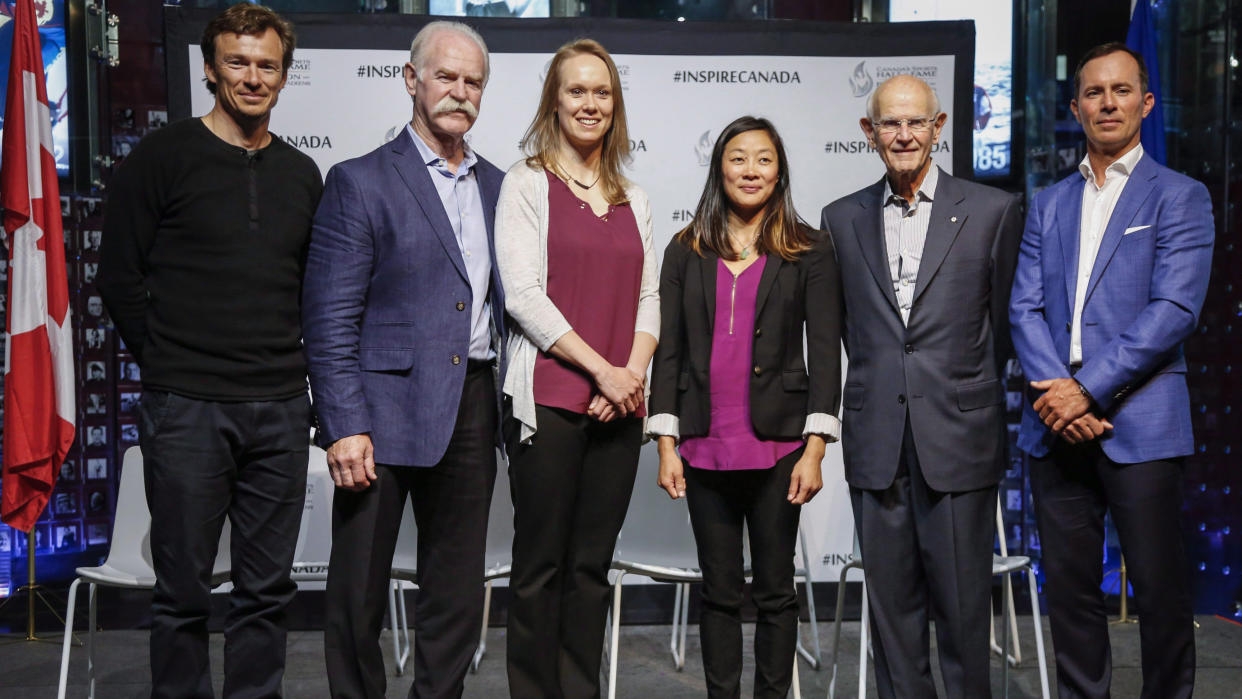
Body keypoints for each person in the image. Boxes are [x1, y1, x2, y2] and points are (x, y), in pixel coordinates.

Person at [95, 5, 322, 697]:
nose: (252, 78)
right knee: (184, 592)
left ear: (283, 75)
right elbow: (118, 277)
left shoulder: (303, 174)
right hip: (186, 408)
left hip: (281, 411)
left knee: (265, 592)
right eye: (237, 62)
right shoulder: (161, 158)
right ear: (209, 69)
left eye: (266, 65)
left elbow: (312, 289)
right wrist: (168, 362)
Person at [302, 20, 505, 699]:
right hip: (378, 416)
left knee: (455, 591)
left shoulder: (499, 187)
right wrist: (342, 424)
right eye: (446, 76)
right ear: (411, 80)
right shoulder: (359, 182)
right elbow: (329, 317)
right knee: (357, 590)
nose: (460, 91)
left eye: (473, 81)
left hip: (473, 406)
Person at [1009, 43, 1212, 699]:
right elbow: (1024, 306)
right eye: (1094, 92)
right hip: (1054, 425)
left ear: (1146, 104)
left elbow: (1174, 309)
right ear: (1076, 107)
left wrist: (1085, 388)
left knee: (1159, 592)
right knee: (1068, 593)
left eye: (1121, 90)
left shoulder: (1181, 197)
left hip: (1140, 423)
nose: (1107, 102)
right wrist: (1059, 399)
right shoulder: (1047, 202)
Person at [819, 74, 1022, 698]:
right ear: (869, 133)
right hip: (877, 439)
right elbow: (849, 333)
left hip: (959, 440)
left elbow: (1005, 328)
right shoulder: (840, 218)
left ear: (938, 128)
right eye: (889, 124)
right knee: (892, 618)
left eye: (915, 123)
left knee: (963, 615)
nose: (903, 134)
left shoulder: (993, 210)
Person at [649, 115, 841, 698]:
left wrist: (815, 450)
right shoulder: (685, 250)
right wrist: (665, 444)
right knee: (720, 590)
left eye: (763, 158)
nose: (750, 169)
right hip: (703, 446)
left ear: (779, 170)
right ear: (719, 167)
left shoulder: (809, 249)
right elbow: (670, 353)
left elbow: (826, 355)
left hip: (782, 447)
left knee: (777, 591)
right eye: (738, 157)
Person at [495, 38, 658, 699]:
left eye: (601, 91)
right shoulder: (527, 182)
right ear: (553, 101)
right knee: (540, 566)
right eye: (576, 90)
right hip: (553, 400)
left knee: (591, 568)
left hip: (619, 407)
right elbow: (524, 296)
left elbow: (651, 297)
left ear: (614, 104)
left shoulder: (635, 197)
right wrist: (604, 372)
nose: (589, 102)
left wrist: (630, 375)